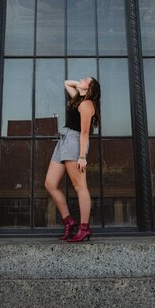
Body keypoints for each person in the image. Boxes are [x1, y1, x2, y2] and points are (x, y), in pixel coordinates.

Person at [44, 77, 101, 243]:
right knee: (50, 184)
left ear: (90, 88)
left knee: (80, 186)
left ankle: (84, 228)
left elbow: (84, 133)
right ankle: (69, 221)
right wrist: (81, 86)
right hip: (64, 140)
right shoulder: (78, 99)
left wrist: (82, 156)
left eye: (86, 80)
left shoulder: (86, 104)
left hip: (75, 142)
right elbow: (66, 83)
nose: (82, 79)